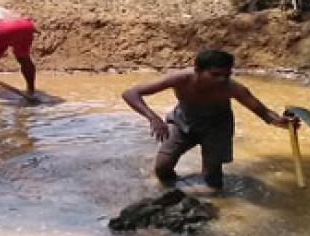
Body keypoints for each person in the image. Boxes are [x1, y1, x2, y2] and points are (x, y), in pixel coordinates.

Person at [121, 49, 297, 195]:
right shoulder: (180, 79)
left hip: (217, 127)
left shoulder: (233, 88)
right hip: (183, 122)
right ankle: (172, 194)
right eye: (215, 75)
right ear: (197, 70)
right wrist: (153, 118)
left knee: (213, 182)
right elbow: (130, 93)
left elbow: (264, 113)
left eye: (227, 75)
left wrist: (282, 122)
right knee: (162, 169)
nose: (221, 79)